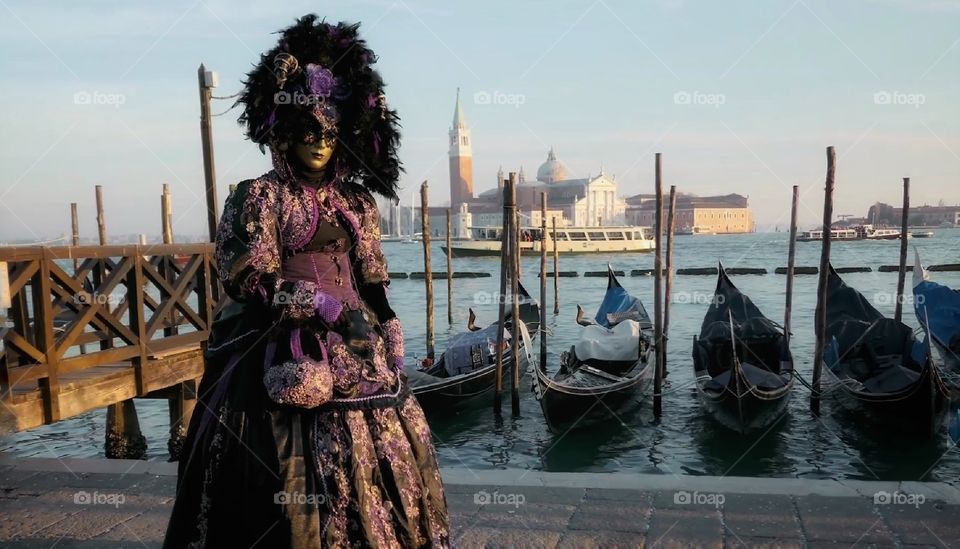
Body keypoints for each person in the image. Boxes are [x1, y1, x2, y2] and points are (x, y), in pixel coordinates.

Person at [163, 15, 449, 548]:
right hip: (278, 342)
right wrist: (315, 303)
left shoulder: (358, 203)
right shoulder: (260, 196)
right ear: (285, 133)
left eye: (329, 133)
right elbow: (249, 276)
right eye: (307, 131)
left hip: (360, 348)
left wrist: (387, 325)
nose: (319, 142)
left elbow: (371, 280)